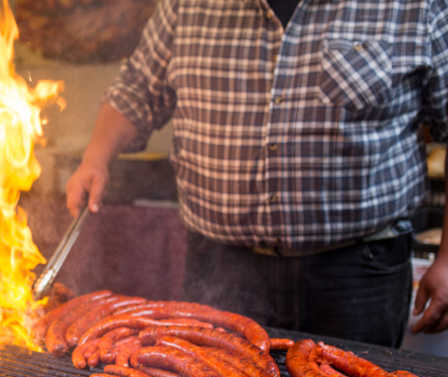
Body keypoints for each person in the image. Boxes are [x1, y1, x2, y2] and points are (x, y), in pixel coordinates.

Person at [65, 0, 448, 348]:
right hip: (220, 265)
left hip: (357, 273)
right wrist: (95, 158)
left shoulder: (415, 6)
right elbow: (135, 93)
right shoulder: (186, 6)